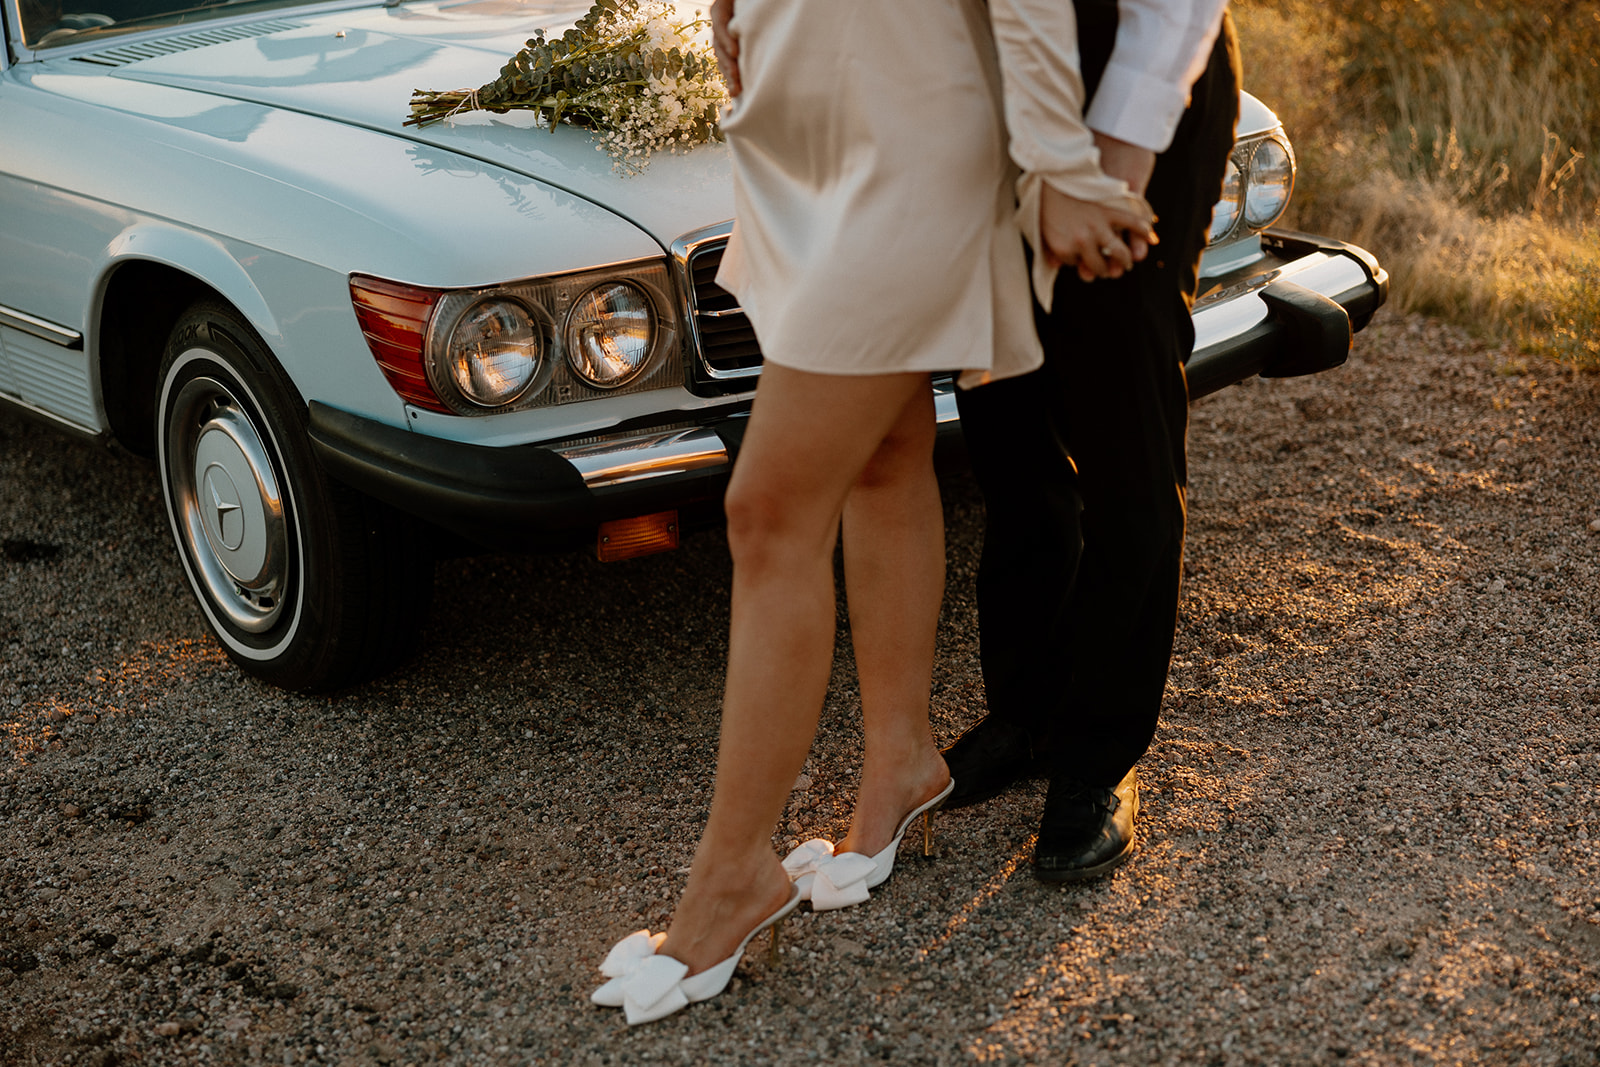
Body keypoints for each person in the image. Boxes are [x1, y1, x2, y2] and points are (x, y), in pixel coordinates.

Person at [590, 0, 1152, 1025]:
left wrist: (1060, 166)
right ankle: (899, 758)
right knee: (883, 457)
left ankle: (730, 880)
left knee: (767, 512)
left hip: (911, 134)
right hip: (808, 110)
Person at [944, 0, 1240, 882]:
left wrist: (1122, 149)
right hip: (985, 78)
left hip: (1135, 62)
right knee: (1005, 417)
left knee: (1124, 423)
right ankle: (1027, 711)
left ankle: (1100, 751)